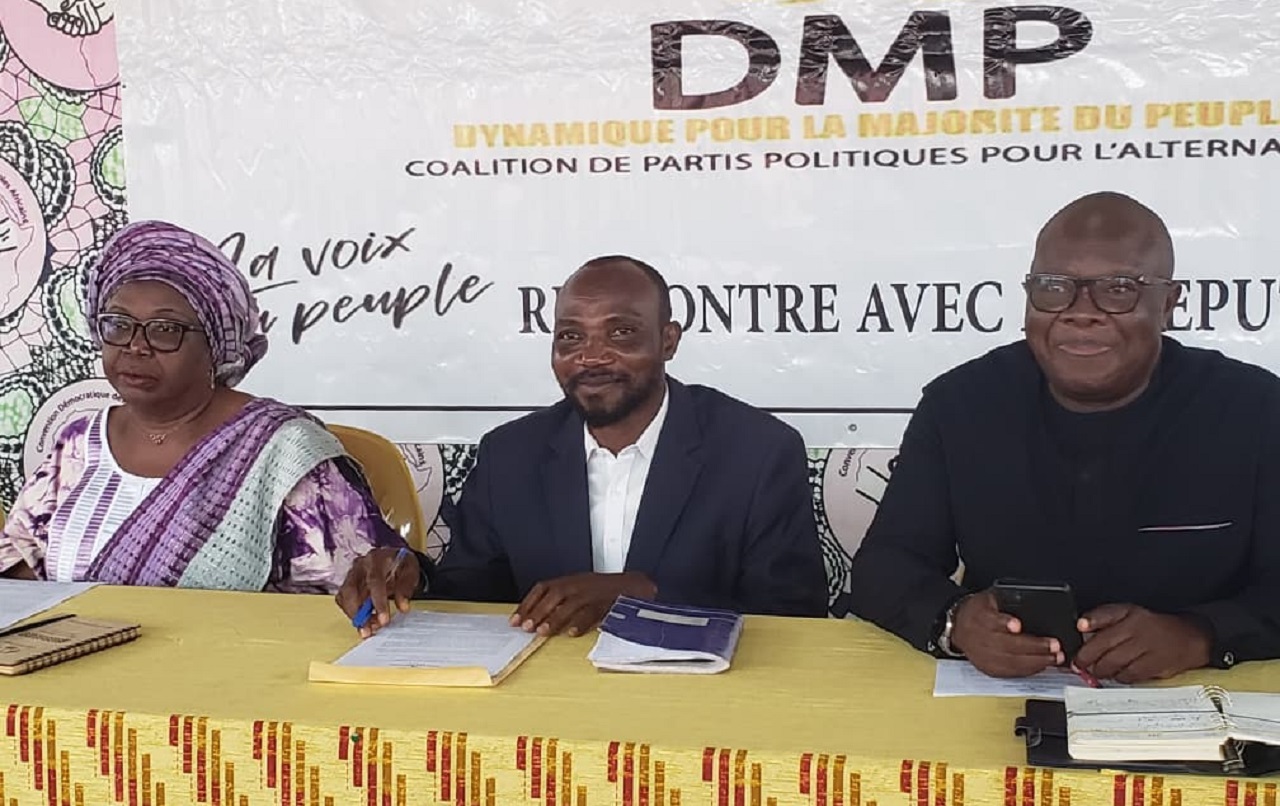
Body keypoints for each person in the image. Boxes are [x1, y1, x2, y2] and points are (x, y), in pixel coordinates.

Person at [847, 191, 1280, 684]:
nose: (1080, 312)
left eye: (1119, 289)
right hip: (1007, 693)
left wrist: (1201, 635)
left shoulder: (1257, 410)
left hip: (1203, 695)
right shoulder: (960, 404)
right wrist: (956, 622)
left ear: (1168, 304)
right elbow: (887, 564)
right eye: (1054, 287)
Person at [337, 255, 828, 636]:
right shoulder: (510, 454)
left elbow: (795, 616)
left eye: (621, 333)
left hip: (704, 704)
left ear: (668, 340)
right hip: (547, 708)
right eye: (571, 337)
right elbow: (474, 591)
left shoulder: (757, 452)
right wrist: (412, 577)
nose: (591, 357)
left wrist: (647, 595)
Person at [0, 220, 405, 591]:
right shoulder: (77, 443)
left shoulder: (281, 449)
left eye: (165, 329)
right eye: (118, 324)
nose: (136, 346)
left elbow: (359, 587)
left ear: (214, 345)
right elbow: (18, 572)